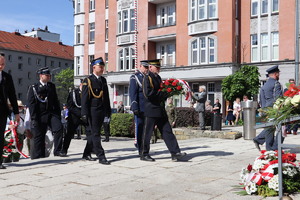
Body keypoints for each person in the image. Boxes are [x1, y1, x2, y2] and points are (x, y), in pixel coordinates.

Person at [142, 59, 186, 162]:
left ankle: (175, 153)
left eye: (159, 67)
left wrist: (167, 93)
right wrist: (163, 94)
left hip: (160, 109)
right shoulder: (147, 78)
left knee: (167, 131)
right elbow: (148, 94)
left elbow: (161, 91)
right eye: (156, 67)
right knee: (147, 133)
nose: (158, 69)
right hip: (151, 109)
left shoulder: (158, 78)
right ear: (150, 67)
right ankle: (144, 154)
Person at [27, 67, 65, 159]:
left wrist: (58, 114)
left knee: (59, 128)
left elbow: (55, 100)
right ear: (41, 76)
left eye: (49, 75)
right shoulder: (34, 87)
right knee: (39, 135)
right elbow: (31, 104)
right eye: (47, 75)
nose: (49, 77)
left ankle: (58, 151)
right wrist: (34, 118)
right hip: (40, 114)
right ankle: (38, 155)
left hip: (51, 113)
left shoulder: (51, 86)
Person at [81, 57, 111, 165]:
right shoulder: (88, 80)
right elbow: (84, 98)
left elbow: (106, 97)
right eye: (100, 66)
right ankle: (101, 156)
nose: (102, 68)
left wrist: (108, 111)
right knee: (96, 134)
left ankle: (86, 154)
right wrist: (84, 113)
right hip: (91, 111)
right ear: (94, 67)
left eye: (103, 67)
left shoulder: (103, 80)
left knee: (94, 134)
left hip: (101, 110)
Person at [253, 65, 283, 151]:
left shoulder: (264, 86)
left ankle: (261, 141)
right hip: (273, 109)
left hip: (265, 110)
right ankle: (272, 148)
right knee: (278, 128)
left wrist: (263, 110)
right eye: (278, 74)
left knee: (270, 127)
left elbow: (261, 99)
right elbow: (278, 98)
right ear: (276, 74)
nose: (279, 76)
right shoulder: (276, 84)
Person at [0, 54, 20, 169]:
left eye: (3, 64)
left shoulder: (7, 77)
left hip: (2, 111)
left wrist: (16, 112)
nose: (0, 66)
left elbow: (12, 95)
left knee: (0, 136)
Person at [62, 83, 88, 155]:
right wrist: (79, 114)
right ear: (81, 85)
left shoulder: (89, 93)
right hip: (74, 116)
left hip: (85, 116)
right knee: (69, 134)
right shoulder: (73, 93)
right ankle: (64, 150)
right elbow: (69, 106)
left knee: (91, 132)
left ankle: (90, 150)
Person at [129, 60, 149, 150]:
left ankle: (144, 146)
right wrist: (134, 106)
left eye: (148, 67)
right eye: (145, 67)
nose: (146, 69)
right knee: (139, 127)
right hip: (139, 107)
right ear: (140, 66)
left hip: (147, 108)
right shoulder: (135, 77)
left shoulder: (147, 77)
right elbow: (133, 93)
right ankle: (139, 145)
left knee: (146, 128)